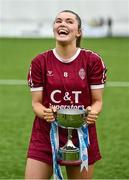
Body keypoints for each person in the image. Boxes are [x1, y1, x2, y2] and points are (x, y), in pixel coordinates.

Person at [25, 10, 107, 179]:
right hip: (45, 136)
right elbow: (36, 104)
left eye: (69, 21)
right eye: (58, 21)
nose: (62, 24)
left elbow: (98, 101)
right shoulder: (39, 62)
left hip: (82, 137)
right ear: (54, 28)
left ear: (78, 31)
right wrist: (45, 113)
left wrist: (93, 112)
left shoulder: (93, 60)